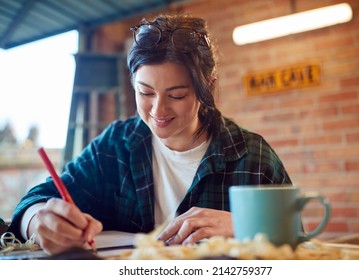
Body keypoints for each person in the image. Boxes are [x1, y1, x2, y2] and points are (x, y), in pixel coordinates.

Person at [8, 13, 292, 255]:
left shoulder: (252, 157)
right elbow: (36, 200)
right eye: (145, 92)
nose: (158, 110)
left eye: (177, 95)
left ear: (209, 86)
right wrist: (37, 221)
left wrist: (245, 224)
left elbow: (298, 243)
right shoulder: (116, 146)